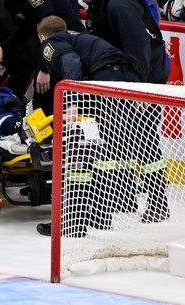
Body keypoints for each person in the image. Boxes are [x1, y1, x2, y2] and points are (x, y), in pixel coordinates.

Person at [65, 0, 169, 224]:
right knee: (117, 137)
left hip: (144, 81)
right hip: (128, 79)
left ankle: (158, 204)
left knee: (144, 140)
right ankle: (124, 198)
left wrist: (139, 90)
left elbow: (139, 49)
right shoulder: (105, 3)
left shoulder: (118, 4)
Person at [33, 14, 140, 237]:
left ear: (42, 36)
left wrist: (71, 103)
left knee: (76, 152)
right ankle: (100, 216)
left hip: (98, 91)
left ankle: (72, 222)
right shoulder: (82, 38)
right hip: (123, 83)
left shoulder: (50, 44)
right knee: (102, 151)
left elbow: (71, 63)